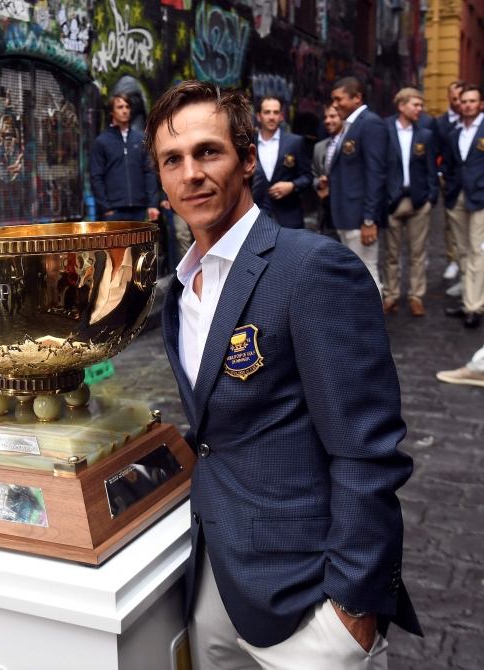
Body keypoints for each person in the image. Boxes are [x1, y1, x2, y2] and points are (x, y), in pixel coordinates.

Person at [145, 80, 420, 669]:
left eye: (208, 152)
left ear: (248, 160)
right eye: (173, 160)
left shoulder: (314, 269)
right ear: (162, 180)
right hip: (219, 580)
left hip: (311, 596)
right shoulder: (179, 291)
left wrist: (353, 607)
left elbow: (369, 451)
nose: (190, 173)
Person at [329, 76, 389, 294]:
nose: (335, 104)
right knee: (353, 275)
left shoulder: (370, 123)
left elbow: (375, 173)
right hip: (346, 215)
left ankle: (373, 328)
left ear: (356, 98)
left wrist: (369, 219)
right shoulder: (351, 125)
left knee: (367, 275)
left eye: (339, 99)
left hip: (359, 217)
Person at [383, 88, 438, 317]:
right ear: (401, 106)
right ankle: (390, 295)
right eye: (415, 105)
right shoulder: (384, 130)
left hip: (418, 200)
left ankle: (416, 296)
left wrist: (431, 197)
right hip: (392, 200)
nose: (420, 109)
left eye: (420, 105)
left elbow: (431, 169)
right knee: (391, 253)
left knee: (418, 253)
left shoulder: (424, 134)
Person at [441, 85, 484, 328]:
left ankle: (474, 306)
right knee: (463, 250)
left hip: (480, 197)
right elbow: (449, 163)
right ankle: (469, 299)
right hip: (457, 195)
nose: (467, 105)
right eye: (464, 101)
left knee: (478, 249)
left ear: (480, 104)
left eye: (472, 101)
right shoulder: (454, 132)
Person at [91, 92, 160, 222]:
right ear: (111, 112)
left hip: (138, 209)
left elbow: (149, 172)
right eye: (120, 107)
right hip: (113, 211)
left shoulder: (140, 139)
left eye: (127, 107)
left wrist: (152, 204)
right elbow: (96, 177)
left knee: (139, 243)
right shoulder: (102, 142)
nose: (124, 111)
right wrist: (105, 207)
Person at [251, 95, 312, 228]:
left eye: (276, 112)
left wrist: (292, 185)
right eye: (267, 112)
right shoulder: (249, 144)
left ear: (282, 116)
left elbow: (307, 176)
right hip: (256, 215)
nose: (272, 117)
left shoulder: (295, 142)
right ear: (259, 116)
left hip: (289, 215)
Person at [438, 81, 466, 284]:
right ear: (449, 97)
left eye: (461, 98)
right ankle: (453, 259)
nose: (458, 102)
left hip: (474, 183)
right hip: (450, 180)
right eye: (454, 98)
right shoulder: (440, 123)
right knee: (450, 223)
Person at [312, 103, 343, 234]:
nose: (328, 121)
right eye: (326, 117)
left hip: (347, 212)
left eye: (333, 116)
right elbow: (313, 174)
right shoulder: (319, 147)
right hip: (326, 213)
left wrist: (332, 187)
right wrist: (319, 184)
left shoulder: (352, 144)